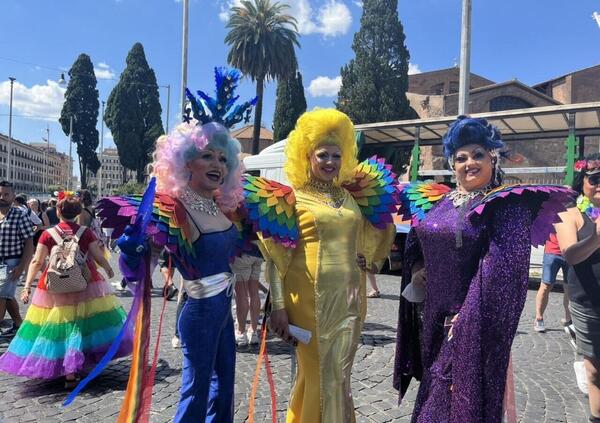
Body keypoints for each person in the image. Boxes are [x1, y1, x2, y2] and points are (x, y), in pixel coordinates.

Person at [393, 116, 575, 423]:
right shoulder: (437, 201)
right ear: (452, 164)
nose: (469, 163)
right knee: (434, 392)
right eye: (461, 157)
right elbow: (417, 243)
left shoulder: (505, 205)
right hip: (433, 319)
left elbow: (501, 270)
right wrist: (417, 270)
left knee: (449, 403)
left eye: (478, 154)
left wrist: (466, 319)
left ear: (493, 156)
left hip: (468, 324)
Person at [97, 68, 250, 422]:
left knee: (225, 385)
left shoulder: (220, 206)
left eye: (223, 158)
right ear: (186, 161)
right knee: (196, 388)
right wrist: (134, 247)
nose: (217, 164)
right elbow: (140, 263)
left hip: (222, 309)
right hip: (198, 313)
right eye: (208, 156)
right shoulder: (172, 208)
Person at [250, 108, 397, 422]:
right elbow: (276, 259)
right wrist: (277, 307)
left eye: (336, 155)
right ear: (306, 156)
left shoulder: (349, 197)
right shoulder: (293, 199)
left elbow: (372, 233)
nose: (330, 162)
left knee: (340, 375)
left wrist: (364, 258)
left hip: (351, 300)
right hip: (307, 301)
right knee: (319, 373)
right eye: (322, 155)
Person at [0, 193, 130, 388]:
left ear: (58, 211)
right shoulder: (85, 232)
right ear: (77, 212)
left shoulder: (47, 234)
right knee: (82, 322)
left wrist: (27, 286)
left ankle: (66, 368)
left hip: (53, 284)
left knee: (58, 322)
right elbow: (97, 256)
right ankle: (75, 366)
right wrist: (109, 269)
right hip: (85, 282)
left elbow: (36, 261)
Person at [555, 154, 600, 423]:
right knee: (594, 371)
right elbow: (570, 255)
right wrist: (596, 238)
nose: (599, 184)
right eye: (594, 179)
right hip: (588, 303)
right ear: (581, 182)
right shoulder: (569, 214)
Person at [0, 182, 35, 339]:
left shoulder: (19, 215)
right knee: (7, 295)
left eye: (6, 194)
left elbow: (29, 243)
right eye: (0, 194)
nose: (2, 197)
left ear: (13, 196)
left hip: (11, 263)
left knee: (1, 295)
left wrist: (22, 266)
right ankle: (19, 324)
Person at [534, 232, 571, 332]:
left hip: (571, 252)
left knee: (569, 288)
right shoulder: (550, 215)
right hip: (552, 251)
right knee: (546, 285)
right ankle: (539, 317)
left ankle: (569, 320)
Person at [231, 244, 264, 346]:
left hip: (243, 251)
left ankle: (241, 333)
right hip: (259, 251)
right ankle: (253, 332)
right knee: (254, 293)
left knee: (241, 295)